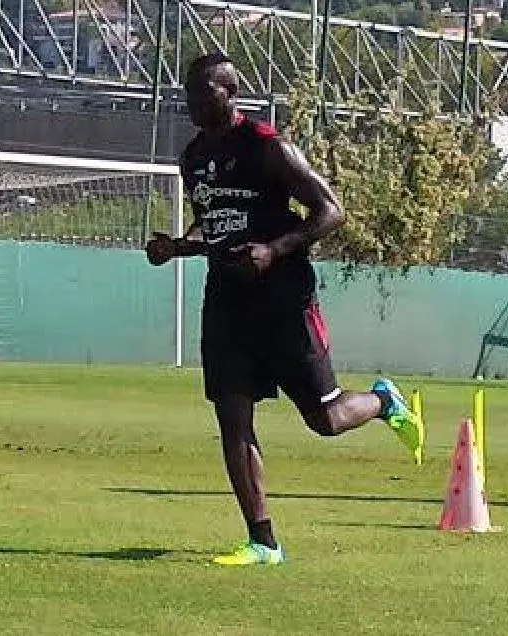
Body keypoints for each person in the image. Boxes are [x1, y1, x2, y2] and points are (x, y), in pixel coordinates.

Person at [145, 53, 425, 567]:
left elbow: (331, 211)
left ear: (230, 93)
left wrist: (275, 250)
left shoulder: (268, 148)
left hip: (284, 299)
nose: (192, 99)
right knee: (232, 416)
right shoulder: (192, 157)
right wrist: (176, 247)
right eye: (189, 90)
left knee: (324, 418)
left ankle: (383, 402)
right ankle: (263, 542)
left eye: (203, 90)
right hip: (227, 303)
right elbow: (214, 224)